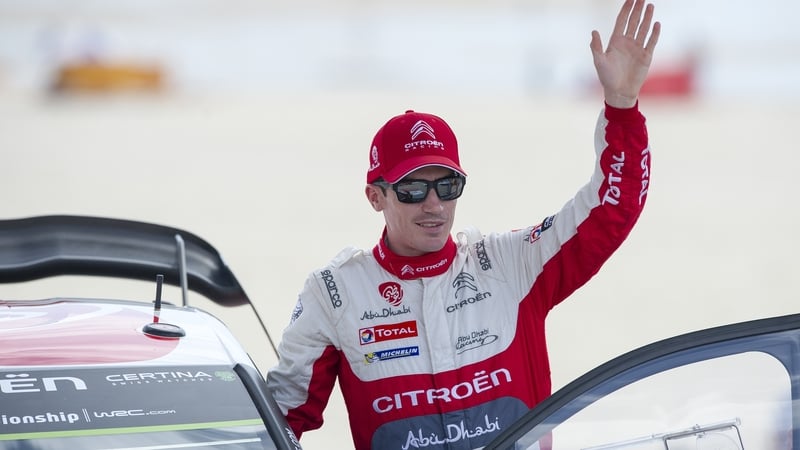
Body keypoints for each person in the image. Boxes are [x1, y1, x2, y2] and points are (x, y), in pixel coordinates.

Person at [266, 0, 660, 448]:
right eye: (413, 190)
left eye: (447, 186)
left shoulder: (511, 264)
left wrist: (622, 107)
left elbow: (611, 210)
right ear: (375, 197)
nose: (433, 205)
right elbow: (278, 421)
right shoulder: (333, 293)